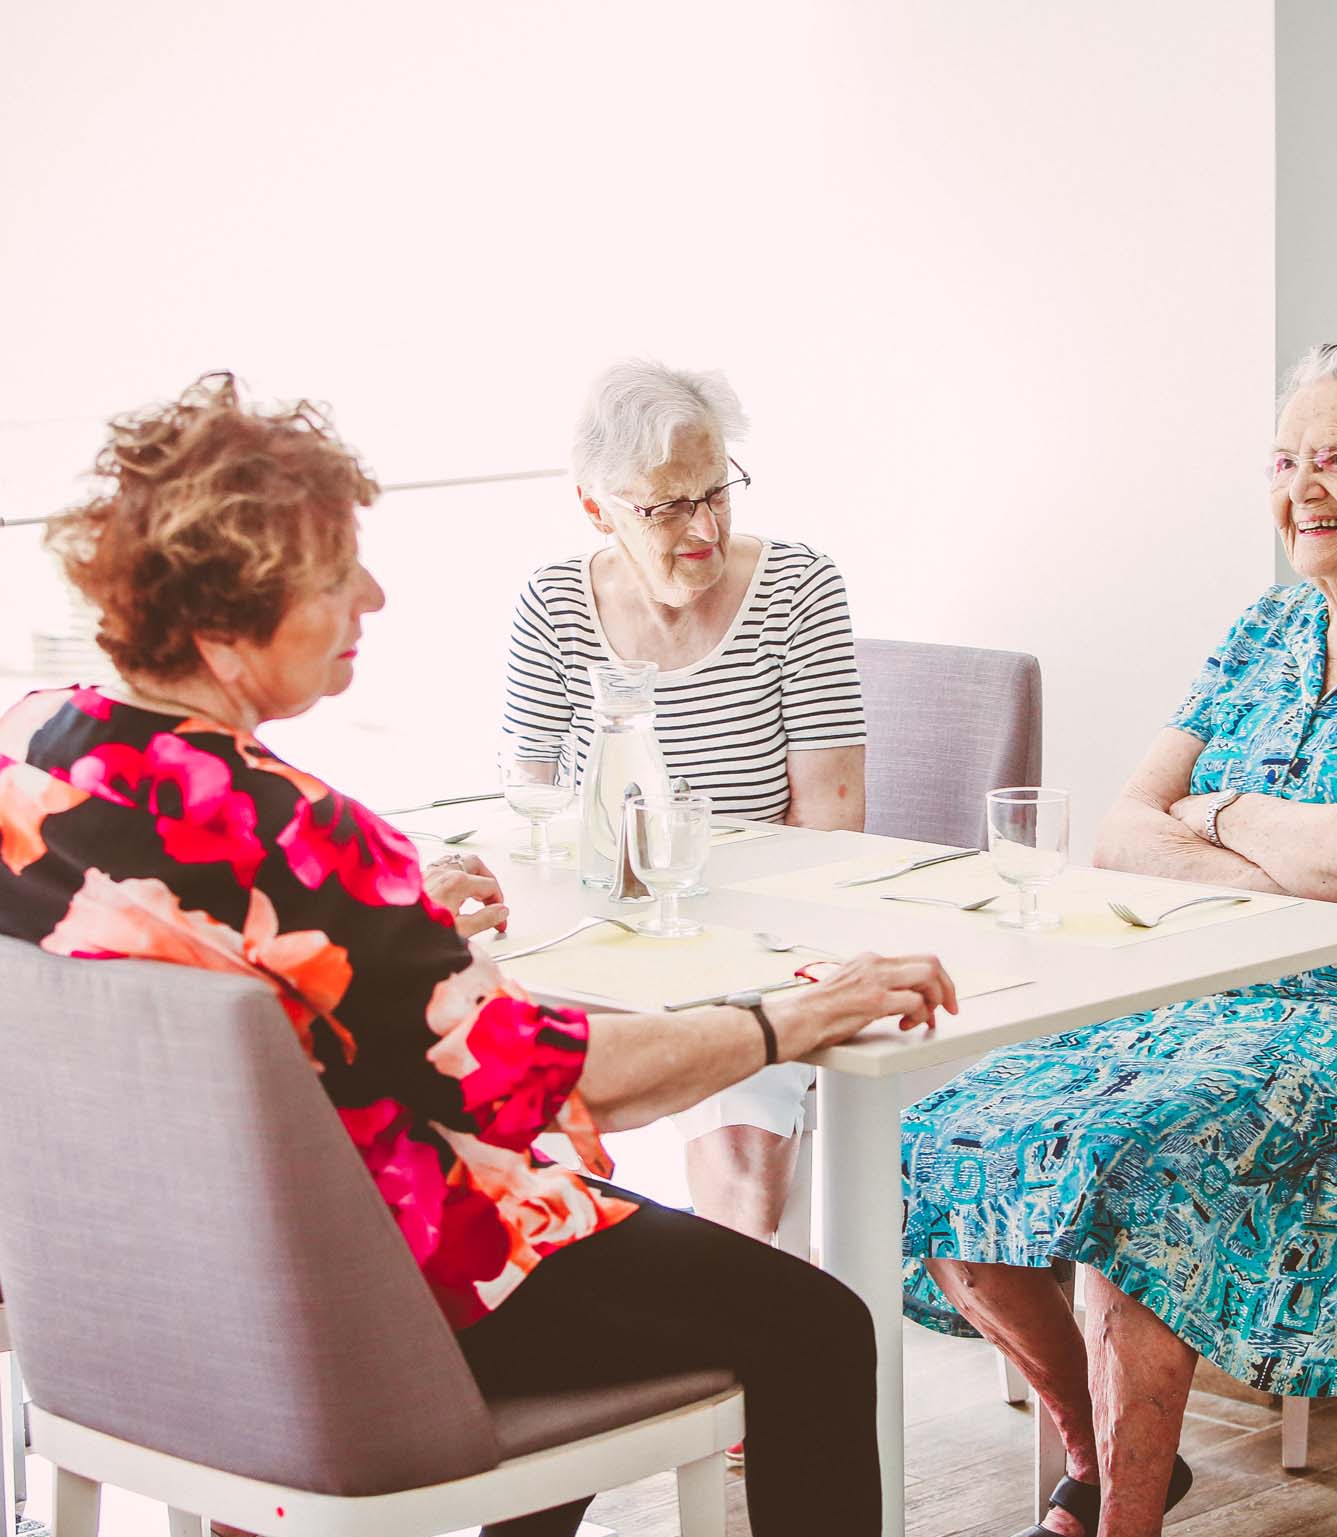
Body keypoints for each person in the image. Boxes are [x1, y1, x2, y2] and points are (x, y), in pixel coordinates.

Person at [0, 373, 955, 1537]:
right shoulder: (306, 833)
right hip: (369, 1303)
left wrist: (404, 940)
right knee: (812, 1320)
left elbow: (194, 966)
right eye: (334, 572)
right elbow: (561, 1079)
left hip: (137, 1295)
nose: (376, 594)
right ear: (229, 615)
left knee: (618, 1261)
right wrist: (788, 1022)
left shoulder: (28, 751)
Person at [898, 343, 1337, 1537]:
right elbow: (1120, 832)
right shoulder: (1266, 627)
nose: (1302, 488)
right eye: (1286, 459)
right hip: (1208, 993)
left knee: (1133, 1157)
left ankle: (1127, 1523)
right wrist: (1289, 846)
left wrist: (1221, 814)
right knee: (937, 1131)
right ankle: (1092, 1463)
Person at [502, 358, 862, 1244]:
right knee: (500, 1102)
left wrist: (717, 955)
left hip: (751, 947)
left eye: (717, 492)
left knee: (738, 1148)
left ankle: (752, 1350)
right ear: (597, 508)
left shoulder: (798, 589)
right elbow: (530, 812)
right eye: (668, 507)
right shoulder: (553, 606)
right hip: (595, 941)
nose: (704, 527)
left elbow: (832, 826)